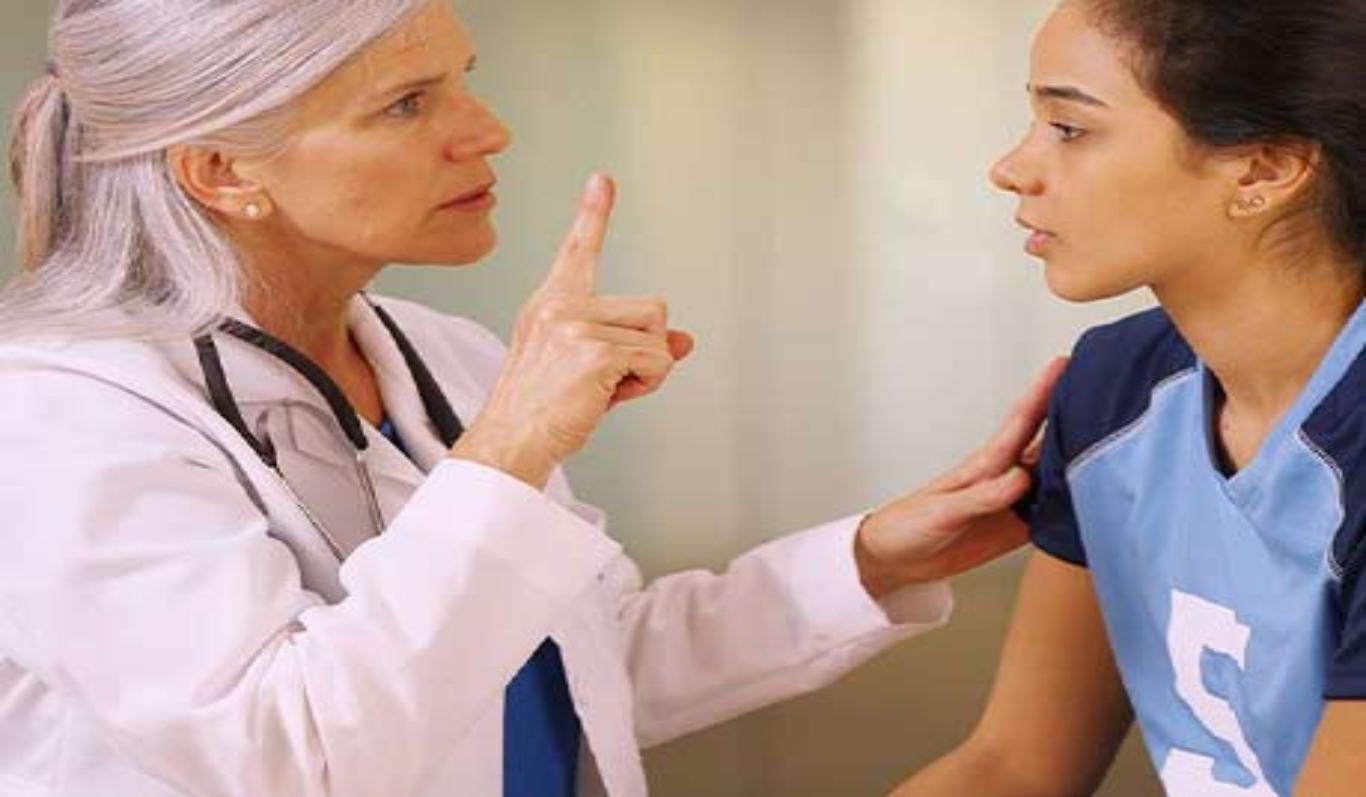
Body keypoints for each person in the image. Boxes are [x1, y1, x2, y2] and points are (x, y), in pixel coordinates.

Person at [0, 2, 1058, 795]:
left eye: (463, 80)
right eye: (408, 104)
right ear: (224, 170)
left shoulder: (437, 357)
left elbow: (572, 670)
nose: (487, 129)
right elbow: (293, 748)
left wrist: (872, 558)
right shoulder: (58, 417)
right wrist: (507, 448)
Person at [889, 1, 1366, 795]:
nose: (1011, 167)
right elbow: (1011, 767)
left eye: (1068, 128)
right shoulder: (1114, 389)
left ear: (1263, 170)